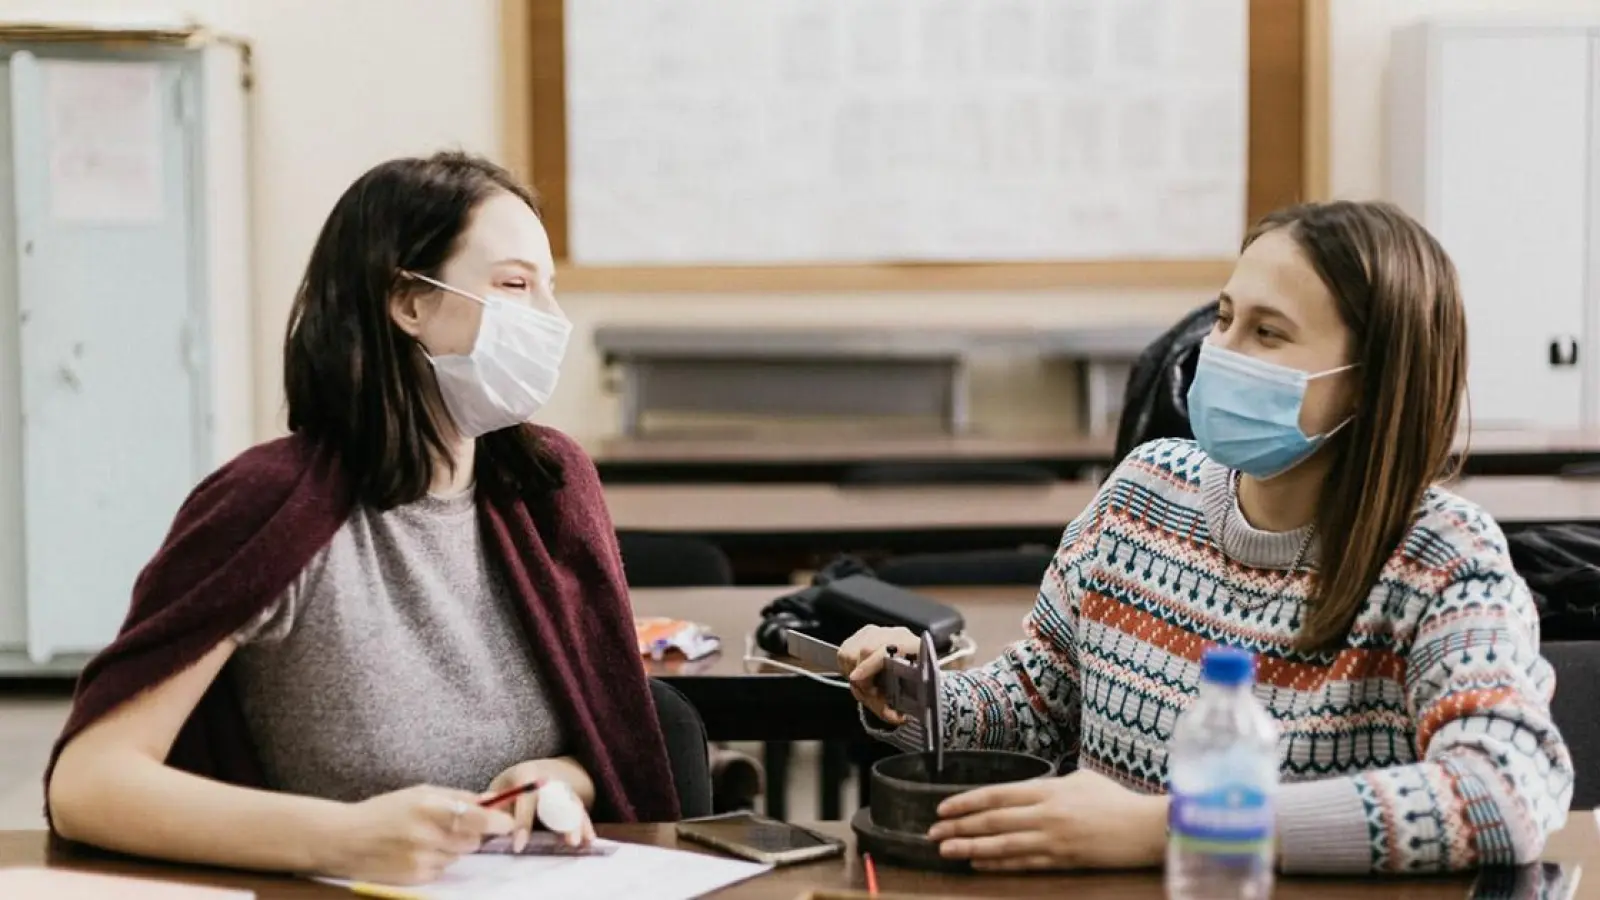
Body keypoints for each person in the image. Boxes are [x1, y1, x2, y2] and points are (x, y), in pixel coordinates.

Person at [839, 201, 1574, 875]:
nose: (1218, 350)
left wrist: (1172, 828)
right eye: (1223, 317)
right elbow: (1035, 702)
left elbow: (1502, 793)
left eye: (1267, 331)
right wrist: (919, 696)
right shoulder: (1141, 493)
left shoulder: (1442, 556)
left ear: (1371, 381)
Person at [45, 152, 680, 886]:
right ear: (408, 301)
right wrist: (340, 838)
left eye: (550, 289)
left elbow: (611, 736)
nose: (551, 320)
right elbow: (90, 782)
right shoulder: (268, 506)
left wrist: (560, 777)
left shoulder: (549, 488)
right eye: (514, 284)